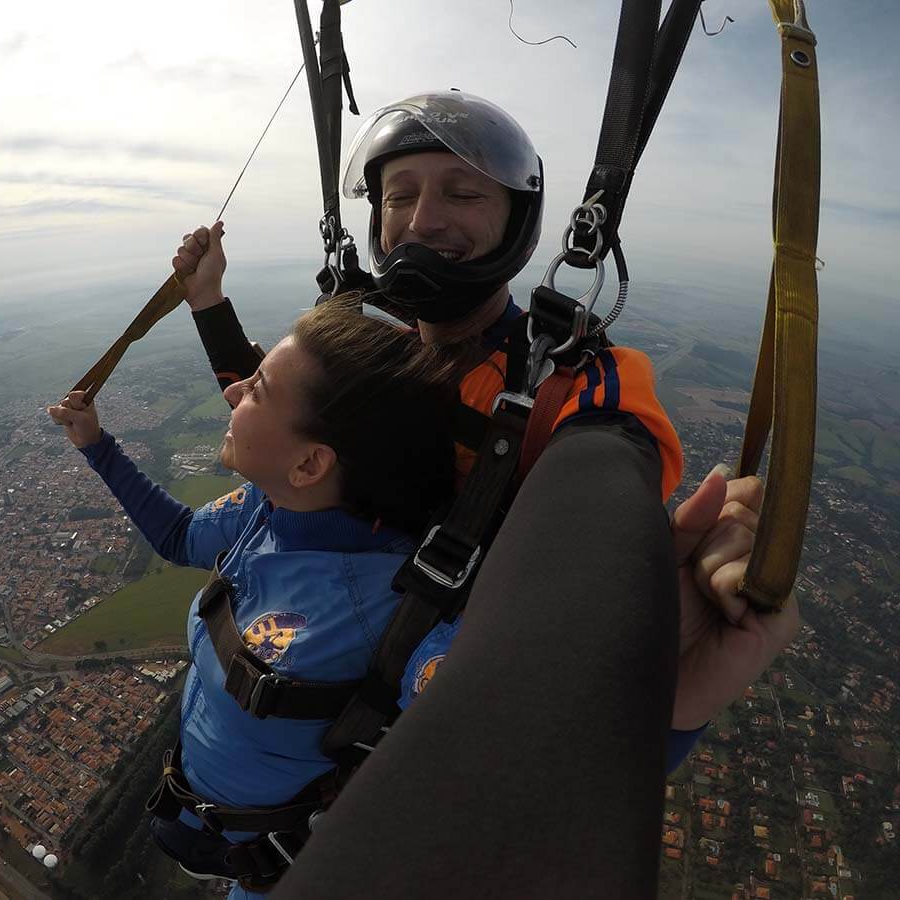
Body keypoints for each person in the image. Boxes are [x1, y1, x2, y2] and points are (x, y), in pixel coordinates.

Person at [171, 91, 799, 749]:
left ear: (515, 222)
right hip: (332, 693)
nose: (421, 220)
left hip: (451, 709)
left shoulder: (570, 377)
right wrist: (208, 300)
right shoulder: (375, 345)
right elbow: (273, 417)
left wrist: (630, 560)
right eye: (398, 196)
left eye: (463, 194)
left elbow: (609, 466)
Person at [49, 300, 460, 895]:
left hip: (283, 873)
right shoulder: (267, 511)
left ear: (310, 463)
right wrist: (97, 445)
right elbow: (180, 536)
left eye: (258, 389)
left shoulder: (403, 608)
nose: (235, 389)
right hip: (204, 829)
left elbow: (476, 754)